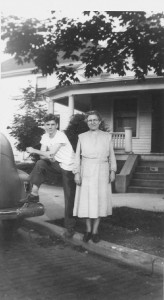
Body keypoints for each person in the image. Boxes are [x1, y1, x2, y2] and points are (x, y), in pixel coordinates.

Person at [21, 114, 76, 238]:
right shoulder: (45, 136)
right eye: (47, 125)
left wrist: (35, 151)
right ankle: (34, 194)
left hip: (69, 167)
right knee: (40, 164)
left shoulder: (60, 135)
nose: (50, 127)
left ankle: (70, 229)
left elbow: (49, 153)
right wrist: (47, 155)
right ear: (44, 126)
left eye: (52, 124)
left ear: (56, 125)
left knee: (69, 198)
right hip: (56, 164)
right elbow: (43, 156)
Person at [73, 110, 117, 243]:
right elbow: (77, 158)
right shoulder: (82, 137)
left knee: (99, 201)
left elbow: (111, 155)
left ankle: (95, 231)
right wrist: (77, 172)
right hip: (86, 171)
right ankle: (87, 230)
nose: (92, 122)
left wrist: (113, 170)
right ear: (87, 122)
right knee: (87, 200)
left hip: (102, 171)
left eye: (95, 120)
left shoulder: (107, 136)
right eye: (90, 120)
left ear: (99, 122)